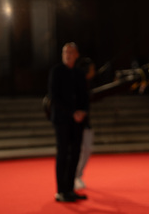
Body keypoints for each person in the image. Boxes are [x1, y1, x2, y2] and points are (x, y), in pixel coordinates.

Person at [48, 42, 89, 202]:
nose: (68, 55)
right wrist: (72, 112)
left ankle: (70, 189)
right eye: (65, 52)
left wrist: (83, 112)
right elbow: (54, 97)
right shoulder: (56, 72)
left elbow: (85, 96)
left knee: (75, 154)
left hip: (77, 120)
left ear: (77, 55)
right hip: (62, 119)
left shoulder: (79, 73)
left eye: (71, 52)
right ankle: (61, 191)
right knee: (63, 153)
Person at [74, 57, 96, 189]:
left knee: (87, 149)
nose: (94, 71)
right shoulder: (76, 84)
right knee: (78, 150)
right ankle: (74, 176)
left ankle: (78, 174)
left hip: (86, 122)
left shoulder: (88, 84)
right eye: (92, 69)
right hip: (76, 121)